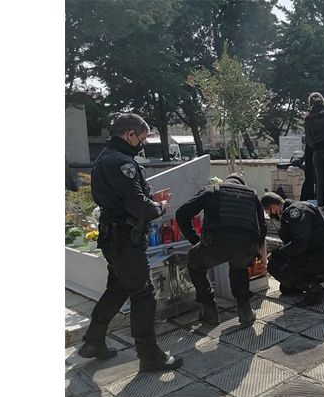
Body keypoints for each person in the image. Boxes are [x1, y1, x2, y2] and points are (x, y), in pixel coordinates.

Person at [78, 113, 183, 372]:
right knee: (143, 295)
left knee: (117, 289)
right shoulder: (123, 163)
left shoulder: (105, 157)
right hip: (127, 240)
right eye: (142, 139)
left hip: (113, 237)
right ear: (130, 134)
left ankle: (93, 342)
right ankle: (150, 356)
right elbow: (138, 207)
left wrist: (151, 197)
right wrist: (160, 207)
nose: (142, 144)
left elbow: (124, 198)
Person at [175, 174, 267, 326]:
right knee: (240, 268)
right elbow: (262, 227)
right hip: (245, 246)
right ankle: (245, 311)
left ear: (225, 181)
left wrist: (195, 240)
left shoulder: (212, 190)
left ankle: (210, 310)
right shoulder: (252, 194)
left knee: (195, 264)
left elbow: (181, 214)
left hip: (214, 245)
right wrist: (254, 250)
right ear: (242, 184)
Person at [260, 192, 324, 306]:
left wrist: (276, 254)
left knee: (275, 265)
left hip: (320, 256)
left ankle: (315, 290)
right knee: (287, 288)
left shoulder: (295, 212)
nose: (269, 215)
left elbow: (300, 243)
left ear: (273, 207)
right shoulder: (292, 210)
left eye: (268, 212)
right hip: (317, 253)